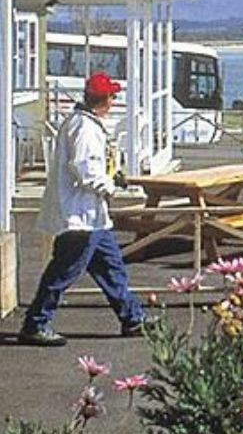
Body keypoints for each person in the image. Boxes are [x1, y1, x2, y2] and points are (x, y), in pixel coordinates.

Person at [18, 72, 147, 346]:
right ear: (104, 99)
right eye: (112, 96)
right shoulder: (85, 127)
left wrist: (113, 175)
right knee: (63, 271)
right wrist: (110, 186)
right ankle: (36, 323)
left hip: (93, 216)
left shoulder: (83, 123)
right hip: (80, 216)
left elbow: (93, 165)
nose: (113, 101)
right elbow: (85, 170)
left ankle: (133, 318)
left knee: (112, 268)